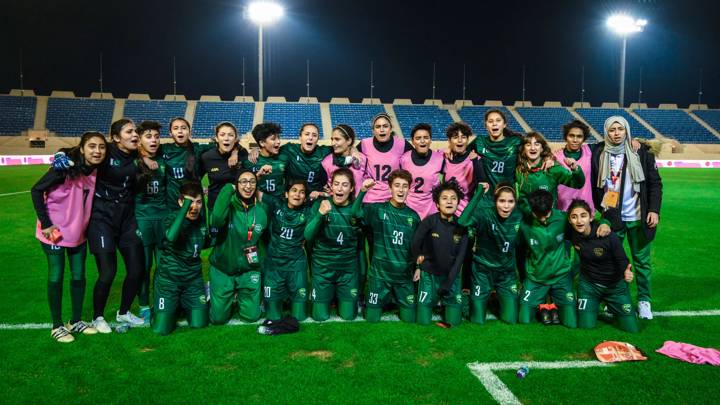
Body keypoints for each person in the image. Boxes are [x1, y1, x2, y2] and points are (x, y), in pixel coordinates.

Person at [31, 132, 107, 342]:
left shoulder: (95, 170)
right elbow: (36, 190)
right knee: (56, 276)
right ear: (82, 149)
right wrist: (46, 223)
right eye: (92, 146)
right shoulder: (64, 168)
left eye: (101, 147)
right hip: (54, 232)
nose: (97, 151)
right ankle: (56, 326)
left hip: (78, 232)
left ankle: (75, 321)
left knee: (79, 275)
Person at [590, 116, 662, 320]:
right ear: (606, 132)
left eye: (620, 129)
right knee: (610, 261)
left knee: (642, 262)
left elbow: (656, 184)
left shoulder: (642, 152)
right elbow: (577, 150)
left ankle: (644, 301)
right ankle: (613, 299)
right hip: (613, 218)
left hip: (639, 217)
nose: (616, 133)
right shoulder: (598, 152)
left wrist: (654, 210)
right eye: (612, 130)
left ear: (626, 130)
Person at [517, 190, 610, 328]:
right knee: (524, 319)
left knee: (571, 323)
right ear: (532, 210)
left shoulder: (563, 219)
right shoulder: (525, 226)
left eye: (546, 215)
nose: (543, 219)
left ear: (552, 206)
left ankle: (553, 305)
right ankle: (543, 305)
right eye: (539, 215)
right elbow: (519, 252)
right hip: (536, 279)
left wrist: (604, 222)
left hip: (561, 277)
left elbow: (586, 222)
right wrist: (524, 277)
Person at [87, 119, 146, 332]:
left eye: (136, 132)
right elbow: (81, 153)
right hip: (102, 220)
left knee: (137, 269)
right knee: (108, 272)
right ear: (115, 137)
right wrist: (61, 155)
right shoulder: (105, 153)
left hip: (127, 220)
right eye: (129, 132)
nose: (135, 135)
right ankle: (98, 317)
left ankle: (123, 312)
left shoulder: (138, 157)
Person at [352, 170, 420, 323]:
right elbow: (355, 212)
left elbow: (417, 247)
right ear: (390, 188)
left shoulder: (414, 217)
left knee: (410, 319)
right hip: (379, 277)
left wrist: (418, 267)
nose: (401, 190)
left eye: (404, 186)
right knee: (371, 319)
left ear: (409, 189)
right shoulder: (377, 210)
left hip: (403, 277)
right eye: (397, 186)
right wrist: (363, 191)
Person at [566, 199, 638, 332]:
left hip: (615, 287)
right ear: (569, 220)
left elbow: (622, 259)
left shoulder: (606, 234)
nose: (579, 221)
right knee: (585, 327)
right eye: (574, 217)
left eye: (583, 216)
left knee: (632, 329)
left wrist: (627, 271)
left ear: (591, 216)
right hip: (589, 287)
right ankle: (595, 303)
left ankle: (611, 303)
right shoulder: (571, 232)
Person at [208, 169, 268, 324]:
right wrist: (228, 189)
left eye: (252, 182)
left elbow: (265, 241)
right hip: (223, 269)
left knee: (251, 317)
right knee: (218, 319)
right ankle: (213, 289)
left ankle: (243, 294)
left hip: (248, 271)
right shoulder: (228, 205)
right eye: (243, 181)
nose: (248, 186)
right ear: (236, 184)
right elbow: (216, 221)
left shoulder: (261, 210)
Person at [304, 168, 364, 321]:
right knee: (319, 317)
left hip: (347, 271)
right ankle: (328, 296)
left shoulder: (356, 210)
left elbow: (360, 244)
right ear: (331, 186)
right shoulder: (321, 205)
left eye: (344, 185)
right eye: (336, 184)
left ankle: (340, 297)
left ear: (351, 188)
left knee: (349, 316)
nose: (339, 188)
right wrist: (320, 215)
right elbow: (308, 236)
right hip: (323, 269)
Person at [458, 184, 522, 324]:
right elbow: (462, 221)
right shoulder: (484, 214)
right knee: (477, 321)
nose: (506, 206)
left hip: (506, 274)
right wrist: (479, 193)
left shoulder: (519, 216)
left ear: (515, 203)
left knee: (510, 319)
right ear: (495, 201)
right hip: (483, 272)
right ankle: (471, 299)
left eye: (510, 202)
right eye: (502, 201)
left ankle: (498, 298)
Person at [152, 182, 210, 335]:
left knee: (200, 324)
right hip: (169, 281)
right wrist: (185, 207)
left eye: (198, 202)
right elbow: (171, 237)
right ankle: (162, 308)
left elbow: (207, 241)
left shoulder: (201, 221)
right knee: (161, 329)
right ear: (180, 202)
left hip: (193, 281)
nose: (194, 207)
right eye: (189, 202)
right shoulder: (170, 219)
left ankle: (183, 303)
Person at [411, 181, 468, 326]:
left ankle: (463, 300)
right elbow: (415, 245)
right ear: (437, 204)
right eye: (444, 198)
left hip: (451, 279)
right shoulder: (429, 222)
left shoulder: (462, 227)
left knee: (454, 322)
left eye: (453, 198)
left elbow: (460, 259)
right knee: (422, 322)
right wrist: (418, 266)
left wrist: (449, 282)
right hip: (429, 278)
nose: (449, 201)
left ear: (458, 203)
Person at [262, 179, 313, 321]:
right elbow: (256, 193)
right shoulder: (276, 205)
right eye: (294, 190)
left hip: (296, 265)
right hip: (274, 265)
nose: (297, 195)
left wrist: (320, 194)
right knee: (273, 316)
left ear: (305, 197)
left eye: (302, 192)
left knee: (300, 317)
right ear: (286, 193)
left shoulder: (308, 212)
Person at [134, 120, 167, 322]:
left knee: (163, 265)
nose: (153, 140)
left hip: (163, 219)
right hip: (142, 219)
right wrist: (141, 158)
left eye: (156, 136)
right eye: (148, 136)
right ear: (139, 140)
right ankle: (144, 305)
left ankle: (163, 301)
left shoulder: (165, 157)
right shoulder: (131, 160)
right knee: (144, 266)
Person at [515, 132, 585, 216]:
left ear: (542, 149)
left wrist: (575, 168)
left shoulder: (552, 168)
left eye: (537, 144)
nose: (532, 148)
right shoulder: (519, 170)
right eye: (528, 145)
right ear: (523, 149)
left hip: (548, 222)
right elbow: (522, 199)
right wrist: (530, 213)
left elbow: (577, 183)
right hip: (527, 222)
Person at [162, 117, 219, 209]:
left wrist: (235, 152)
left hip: (195, 202)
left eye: (183, 128)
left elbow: (222, 144)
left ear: (190, 132)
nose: (180, 131)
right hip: (173, 203)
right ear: (170, 133)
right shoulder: (164, 149)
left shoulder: (198, 149)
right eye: (175, 128)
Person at [357, 113, 413, 203]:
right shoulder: (365, 144)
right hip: (371, 197)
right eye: (378, 127)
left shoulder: (402, 144)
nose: (381, 130)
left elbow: (415, 159)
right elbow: (350, 152)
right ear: (373, 131)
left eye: (385, 126)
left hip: (393, 196)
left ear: (390, 129)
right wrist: (354, 151)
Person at [470, 109, 524, 198]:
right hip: (485, 197)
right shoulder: (479, 142)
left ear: (504, 124)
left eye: (498, 120)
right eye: (490, 121)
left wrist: (548, 157)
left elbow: (535, 147)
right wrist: (449, 149)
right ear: (486, 126)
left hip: (507, 197)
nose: (494, 123)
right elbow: (461, 151)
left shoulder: (516, 142)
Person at [199, 121, 248, 211]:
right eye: (222, 135)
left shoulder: (242, 154)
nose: (226, 138)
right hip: (215, 207)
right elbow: (196, 177)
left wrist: (236, 151)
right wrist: (201, 189)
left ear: (236, 139)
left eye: (230, 135)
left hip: (238, 207)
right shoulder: (207, 157)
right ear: (216, 138)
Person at [399, 123, 445, 219]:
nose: (422, 141)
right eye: (418, 138)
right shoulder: (404, 159)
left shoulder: (440, 158)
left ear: (430, 140)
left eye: (426, 137)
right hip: (409, 208)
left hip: (432, 210)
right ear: (413, 141)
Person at [280, 123, 334, 200]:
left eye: (314, 135)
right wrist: (256, 151)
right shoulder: (290, 149)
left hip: (314, 198)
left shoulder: (324, 151)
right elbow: (270, 151)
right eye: (307, 134)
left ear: (318, 139)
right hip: (293, 197)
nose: (310, 138)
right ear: (300, 137)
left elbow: (343, 148)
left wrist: (353, 150)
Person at [443, 122, 486, 215]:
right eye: (455, 137)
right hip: (444, 212)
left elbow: (482, 183)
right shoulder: (444, 157)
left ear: (467, 140)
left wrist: (475, 161)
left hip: (464, 213)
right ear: (449, 141)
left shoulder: (475, 159)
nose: (460, 140)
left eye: (463, 137)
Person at [554, 120, 595, 214]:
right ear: (566, 137)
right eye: (571, 135)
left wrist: (636, 140)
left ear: (584, 138)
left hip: (586, 209)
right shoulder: (555, 157)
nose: (575, 140)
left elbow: (610, 143)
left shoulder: (590, 151)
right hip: (563, 209)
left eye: (579, 136)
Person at [321, 124, 369, 198]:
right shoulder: (326, 162)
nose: (333, 143)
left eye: (337, 139)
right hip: (336, 207)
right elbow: (325, 189)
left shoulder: (363, 159)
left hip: (359, 206)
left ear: (349, 141)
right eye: (332, 139)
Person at [243, 122, 287, 199]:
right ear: (262, 143)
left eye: (278, 138)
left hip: (279, 204)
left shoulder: (284, 155)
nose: (278, 142)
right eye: (273, 139)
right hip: (259, 204)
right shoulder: (249, 161)